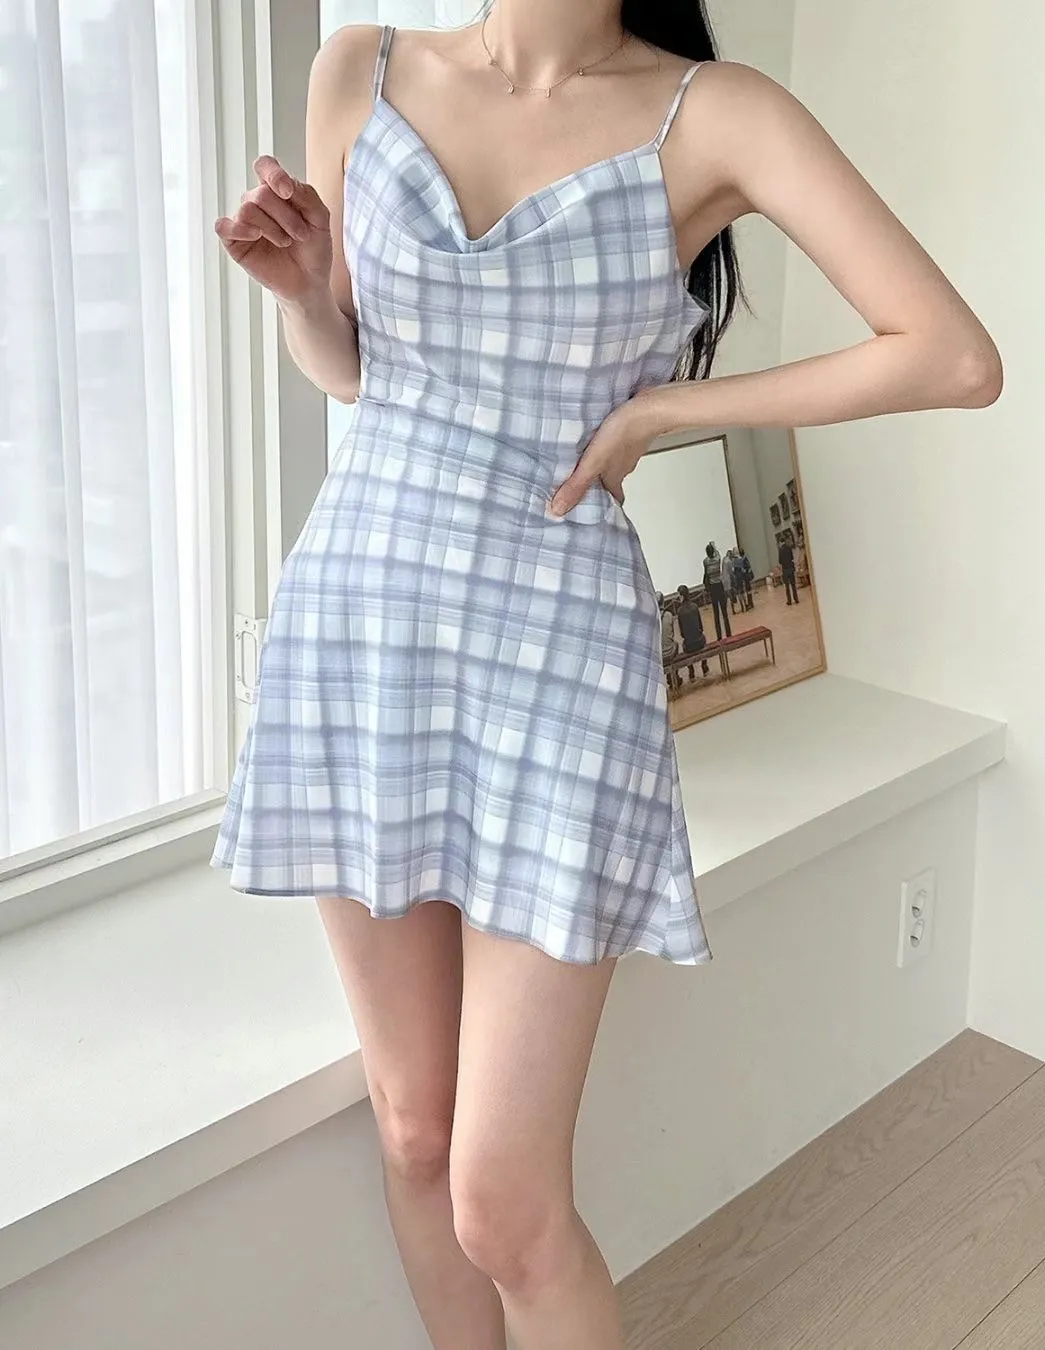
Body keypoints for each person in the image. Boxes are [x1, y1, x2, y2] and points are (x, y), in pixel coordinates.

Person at [209, 1, 1000, 1344]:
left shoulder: (716, 113)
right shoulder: (361, 69)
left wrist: (668, 408)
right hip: (358, 629)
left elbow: (954, 354)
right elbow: (354, 376)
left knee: (504, 1201)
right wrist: (302, 292)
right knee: (412, 1129)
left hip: (558, 659)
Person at [675, 584, 710, 679]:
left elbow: (682, 633)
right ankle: (704, 666)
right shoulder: (695, 606)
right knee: (704, 638)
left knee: (684, 645)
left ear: (682, 596)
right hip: (699, 642)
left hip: (689, 646)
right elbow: (701, 627)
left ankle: (691, 671)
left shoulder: (679, 611)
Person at [702, 542, 732, 639]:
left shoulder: (705, 562)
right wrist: (714, 546)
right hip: (720, 586)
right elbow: (718, 553)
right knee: (724, 612)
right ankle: (728, 634)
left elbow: (706, 574)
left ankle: (719, 636)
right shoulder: (717, 560)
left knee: (716, 614)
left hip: (713, 588)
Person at [657, 589, 681, 688]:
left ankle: (670, 677)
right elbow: (672, 634)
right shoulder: (669, 615)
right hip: (670, 653)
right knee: (676, 644)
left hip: (659, 656)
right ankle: (675, 674)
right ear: (663, 602)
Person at [779, 536, 799, 605]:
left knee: (787, 586)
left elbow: (780, 561)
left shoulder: (780, 550)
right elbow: (792, 557)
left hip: (785, 570)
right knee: (793, 585)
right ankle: (796, 599)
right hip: (790, 568)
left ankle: (789, 601)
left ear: (780, 542)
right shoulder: (789, 548)